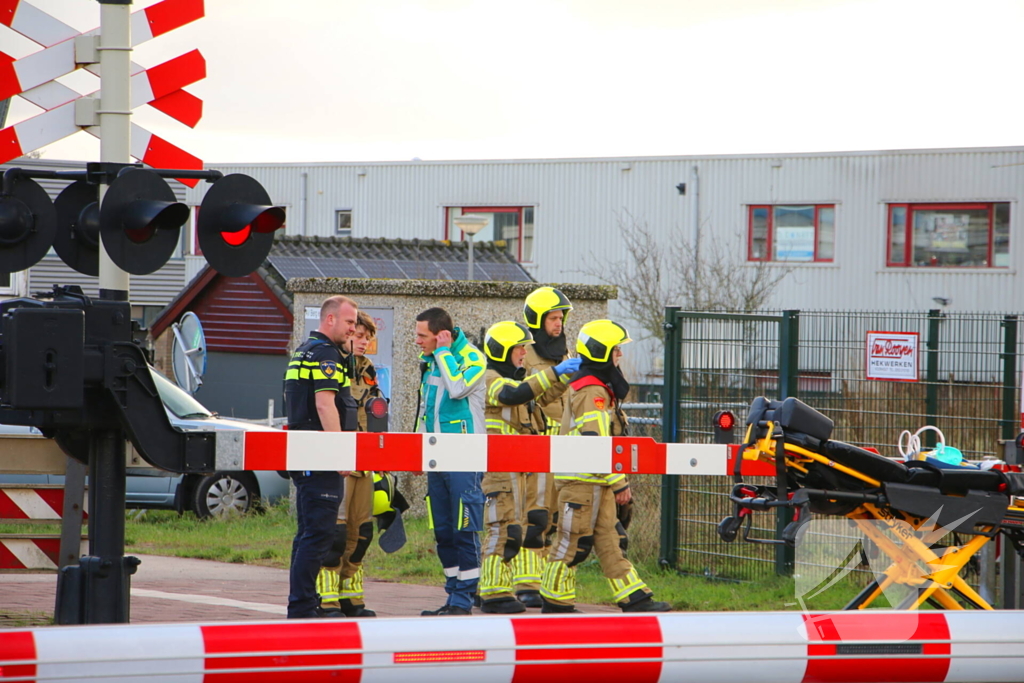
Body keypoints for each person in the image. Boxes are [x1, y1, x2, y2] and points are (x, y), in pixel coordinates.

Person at [540, 319, 671, 614]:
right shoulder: (591, 391)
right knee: (572, 543)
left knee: (612, 539)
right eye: (616, 350)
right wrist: (618, 481)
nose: (620, 355)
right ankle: (554, 600)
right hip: (582, 483)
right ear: (601, 352)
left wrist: (613, 480)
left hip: (594, 481)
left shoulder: (596, 388)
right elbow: (596, 443)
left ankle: (635, 598)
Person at [478, 320, 581, 614]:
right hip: (500, 468)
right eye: (519, 348)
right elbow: (512, 395)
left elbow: (538, 396)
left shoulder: (516, 380)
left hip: (519, 468)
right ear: (502, 350)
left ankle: (502, 589)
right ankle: (493, 594)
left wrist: (564, 377)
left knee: (519, 528)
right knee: (503, 529)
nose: (524, 353)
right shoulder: (490, 378)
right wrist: (554, 372)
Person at [283, 295, 359, 619]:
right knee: (318, 535)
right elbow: (325, 404)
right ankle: (302, 608)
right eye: (349, 322)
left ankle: (302, 603)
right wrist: (340, 453)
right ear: (330, 319)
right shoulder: (326, 353)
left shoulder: (305, 350)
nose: (353, 329)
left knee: (307, 534)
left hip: (304, 454)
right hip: (319, 456)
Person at [414, 307, 487, 616]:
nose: (417, 341)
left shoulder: (472, 358)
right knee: (443, 531)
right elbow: (426, 409)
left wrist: (444, 352)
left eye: (422, 335)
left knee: (463, 529)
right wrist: (418, 451)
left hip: (465, 457)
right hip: (437, 457)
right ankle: (452, 595)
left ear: (441, 334)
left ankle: (464, 599)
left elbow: (457, 388)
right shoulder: (431, 361)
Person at [315, 311, 381, 618]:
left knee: (362, 532)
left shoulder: (368, 372)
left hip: (364, 462)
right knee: (336, 535)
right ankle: (326, 599)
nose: (364, 342)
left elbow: (377, 419)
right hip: (337, 463)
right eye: (358, 336)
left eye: (368, 338)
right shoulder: (331, 367)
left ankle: (350, 597)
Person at [514, 285, 574, 607]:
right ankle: (526, 583)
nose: (558, 323)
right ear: (537, 320)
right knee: (533, 516)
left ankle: (546, 582)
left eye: (561, 318)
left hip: (562, 450)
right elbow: (524, 396)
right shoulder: (525, 354)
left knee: (554, 519)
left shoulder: (564, 355)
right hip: (534, 447)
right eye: (552, 318)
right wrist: (555, 376)